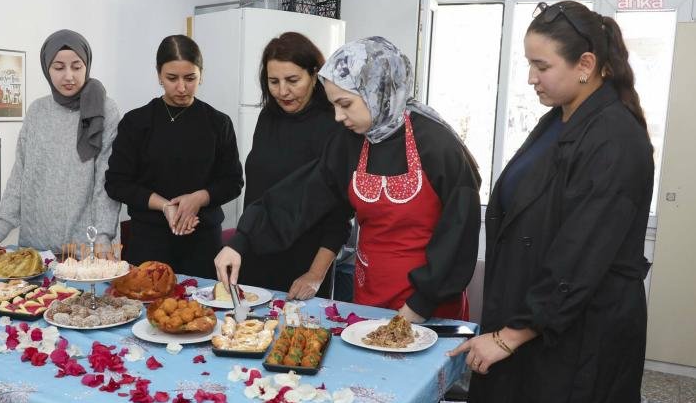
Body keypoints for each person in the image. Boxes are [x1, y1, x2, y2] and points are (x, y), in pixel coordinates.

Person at [449, 1, 654, 403]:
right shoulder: (560, 118)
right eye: (529, 64)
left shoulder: (615, 140)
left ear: (585, 64)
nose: (530, 78)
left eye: (541, 66)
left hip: (578, 334)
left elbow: (578, 257)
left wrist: (509, 336)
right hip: (535, 320)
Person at [216, 36, 481, 324]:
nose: (339, 117)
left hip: (429, 303)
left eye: (345, 104)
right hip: (370, 295)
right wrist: (240, 241)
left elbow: (459, 231)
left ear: (376, 92)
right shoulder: (351, 142)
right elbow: (301, 196)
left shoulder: (436, 144)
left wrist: (420, 303)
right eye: (333, 106)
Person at [105, 35, 243, 279]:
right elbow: (117, 183)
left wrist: (199, 198)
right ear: (159, 75)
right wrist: (165, 205)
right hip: (149, 241)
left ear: (201, 74)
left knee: (204, 314)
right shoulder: (137, 122)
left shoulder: (218, 123)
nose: (181, 87)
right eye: (172, 78)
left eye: (190, 78)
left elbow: (232, 182)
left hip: (203, 242)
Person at [0, 29, 122, 255]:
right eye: (59, 68)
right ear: (47, 69)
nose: (68, 76)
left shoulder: (104, 109)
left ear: (87, 65)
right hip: (36, 246)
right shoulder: (37, 110)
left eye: (77, 67)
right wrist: (1, 227)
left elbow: (107, 180)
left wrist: (103, 235)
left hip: (89, 246)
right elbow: (21, 172)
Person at [238, 32, 351, 300]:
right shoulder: (269, 116)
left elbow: (340, 216)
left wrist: (315, 274)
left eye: (292, 80)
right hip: (256, 258)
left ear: (314, 74)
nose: (282, 91)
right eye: (273, 81)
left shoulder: (335, 124)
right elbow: (258, 192)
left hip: (305, 266)